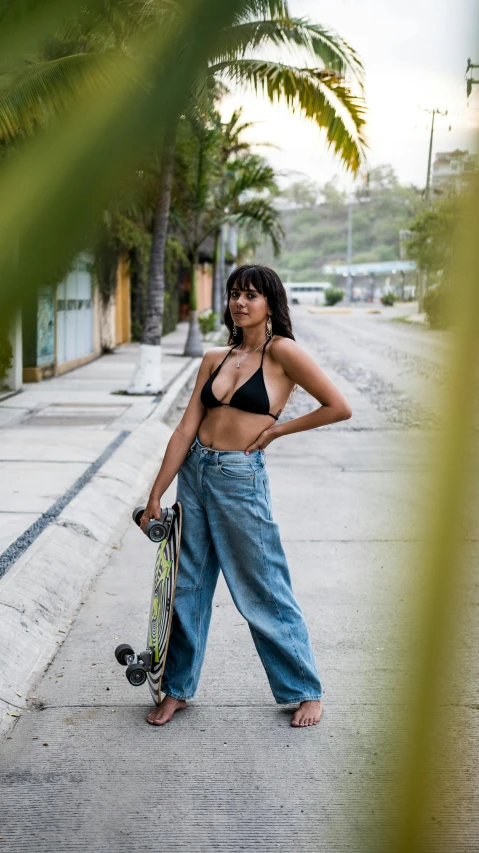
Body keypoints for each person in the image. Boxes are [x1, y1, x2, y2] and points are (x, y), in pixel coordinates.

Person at [140, 264, 352, 727]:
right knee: (188, 585)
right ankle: (176, 687)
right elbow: (184, 428)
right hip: (195, 473)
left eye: (251, 295)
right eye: (235, 293)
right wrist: (157, 493)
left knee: (262, 587)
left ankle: (304, 689)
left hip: (239, 478)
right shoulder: (215, 357)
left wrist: (276, 432)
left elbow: (338, 406)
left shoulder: (283, 353)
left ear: (270, 303)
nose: (240, 302)